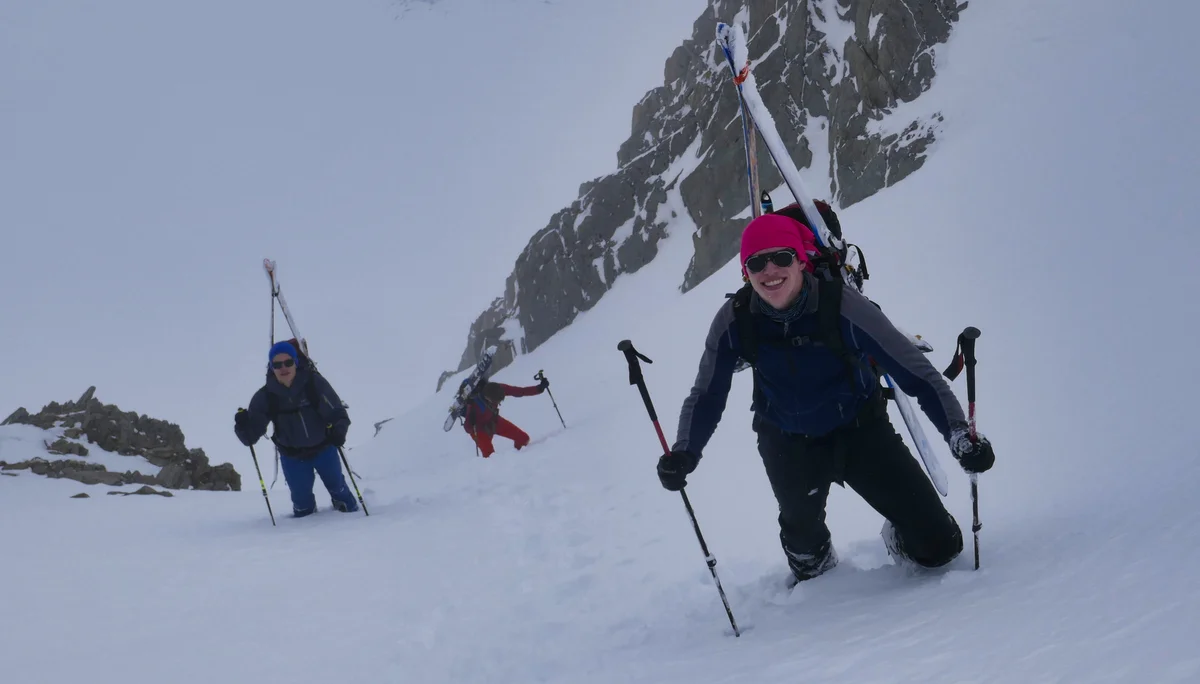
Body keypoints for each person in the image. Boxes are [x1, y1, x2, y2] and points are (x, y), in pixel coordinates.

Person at [658, 212, 995, 583]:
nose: (770, 270)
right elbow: (707, 394)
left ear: (801, 260)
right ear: (745, 272)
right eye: (756, 262)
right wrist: (685, 452)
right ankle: (818, 577)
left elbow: (916, 373)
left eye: (782, 257)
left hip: (861, 430)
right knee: (808, 561)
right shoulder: (735, 319)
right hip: (787, 441)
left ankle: (900, 537)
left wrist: (958, 434)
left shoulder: (844, 307)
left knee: (940, 547)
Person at [234, 341, 359, 517]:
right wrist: (243, 426)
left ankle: (355, 521)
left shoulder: (314, 384)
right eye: (277, 364)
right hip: (292, 457)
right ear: (271, 367)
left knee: (339, 490)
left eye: (288, 362)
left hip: (324, 449)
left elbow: (337, 413)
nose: (283, 368)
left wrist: (339, 431)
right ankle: (302, 540)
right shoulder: (266, 396)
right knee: (302, 506)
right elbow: (250, 437)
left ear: (296, 362)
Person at [462, 376, 549, 458]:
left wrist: (539, 388)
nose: (499, 403)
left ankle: (519, 458)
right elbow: (467, 428)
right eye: (497, 401)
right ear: (488, 398)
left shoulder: (499, 389)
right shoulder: (475, 406)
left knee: (523, 439)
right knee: (490, 458)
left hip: (494, 421)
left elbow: (519, 391)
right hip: (479, 430)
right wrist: (470, 414)